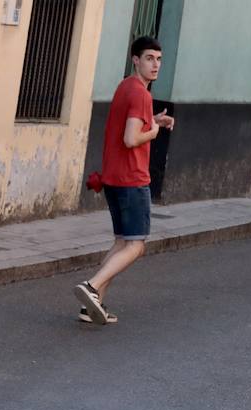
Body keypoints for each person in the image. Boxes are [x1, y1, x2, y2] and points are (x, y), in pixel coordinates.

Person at [74, 36, 174, 325]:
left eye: (158, 59)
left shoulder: (126, 87)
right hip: (132, 179)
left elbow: (128, 123)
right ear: (135, 59)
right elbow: (131, 138)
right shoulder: (141, 93)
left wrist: (154, 120)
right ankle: (92, 287)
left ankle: (91, 306)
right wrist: (153, 133)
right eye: (149, 58)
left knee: (121, 242)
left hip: (113, 178)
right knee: (136, 245)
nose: (155, 65)